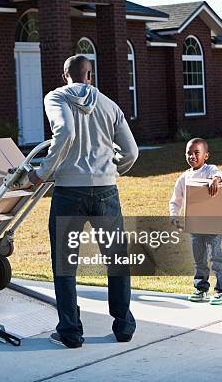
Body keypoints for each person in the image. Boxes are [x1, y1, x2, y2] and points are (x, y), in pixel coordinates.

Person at [28, 55, 139, 348]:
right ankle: (124, 325)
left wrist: (42, 172)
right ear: (89, 74)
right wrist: (112, 169)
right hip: (106, 191)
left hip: (69, 192)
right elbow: (131, 152)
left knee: (65, 263)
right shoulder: (110, 105)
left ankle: (70, 331)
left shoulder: (56, 97)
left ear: (66, 75)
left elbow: (64, 132)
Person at [169, 138, 222, 305]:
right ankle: (201, 288)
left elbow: (219, 174)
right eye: (189, 153)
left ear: (206, 155)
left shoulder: (210, 171)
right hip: (195, 226)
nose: (192, 156)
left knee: (215, 257)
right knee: (199, 259)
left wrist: (215, 180)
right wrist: (175, 216)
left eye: (197, 153)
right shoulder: (183, 178)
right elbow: (176, 200)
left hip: (213, 224)